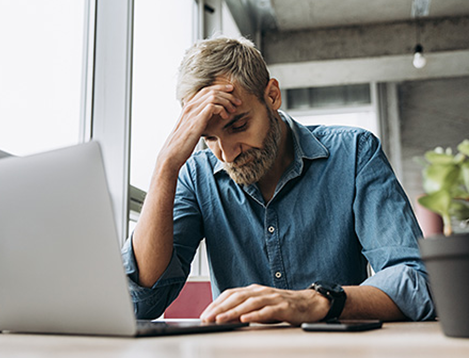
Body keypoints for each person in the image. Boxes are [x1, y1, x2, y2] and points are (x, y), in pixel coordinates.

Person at [121, 36, 435, 325]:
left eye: (238, 125)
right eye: (209, 138)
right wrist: (166, 165)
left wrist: (316, 301)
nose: (227, 155)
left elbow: (417, 282)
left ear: (272, 96)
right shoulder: (195, 176)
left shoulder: (354, 153)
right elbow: (141, 303)